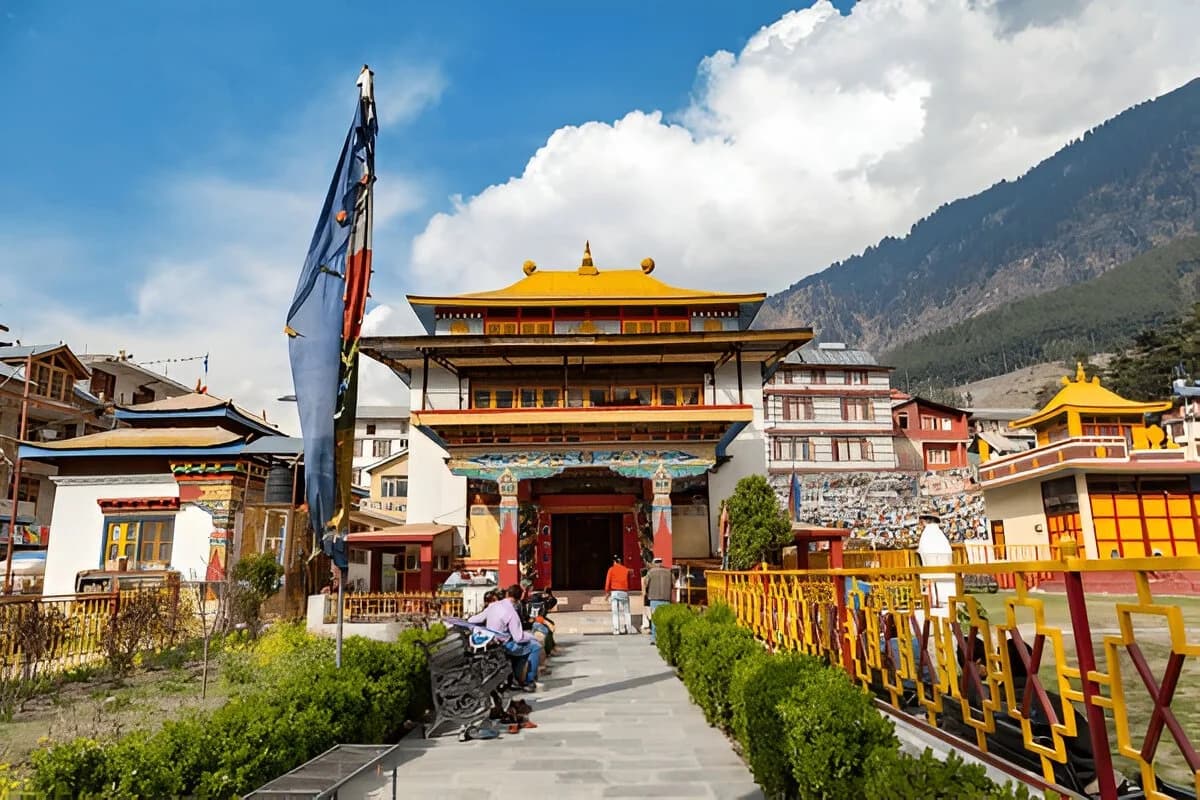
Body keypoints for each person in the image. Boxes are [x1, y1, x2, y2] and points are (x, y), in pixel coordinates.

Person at [467, 584, 543, 692]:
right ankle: (528, 681)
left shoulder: (493, 606)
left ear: (507, 594)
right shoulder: (511, 613)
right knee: (535, 647)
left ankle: (516, 679)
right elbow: (518, 638)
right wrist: (532, 637)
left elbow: (473, 620)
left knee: (522, 650)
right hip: (504, 645)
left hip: (491, 641)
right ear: (519, 599)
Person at [916, 509, 955, 607]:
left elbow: (924, 551)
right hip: (945, 568)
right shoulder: (939, 533)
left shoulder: (927, 534)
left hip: (933, 568)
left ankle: (936, 600)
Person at [642, 557, 673, 644]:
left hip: (654, 598)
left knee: (655, 619)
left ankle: (654, 639)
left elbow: (646, 583)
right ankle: (664, 638)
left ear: (654, 563)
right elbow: (673, 583)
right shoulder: (669, 572)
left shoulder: (651, 572)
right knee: (665, 619)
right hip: (666, 598)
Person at [604, 555, 635, 635]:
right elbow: (630, 578)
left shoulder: (611, 569)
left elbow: (608, 582)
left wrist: (607, 592)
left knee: (615, 612)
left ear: (614, 562)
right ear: (620, 561)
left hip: (614, 592)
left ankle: (616, 630)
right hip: (624, 592)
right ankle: (629, 629)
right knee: (627, 611)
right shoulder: (625, 569)